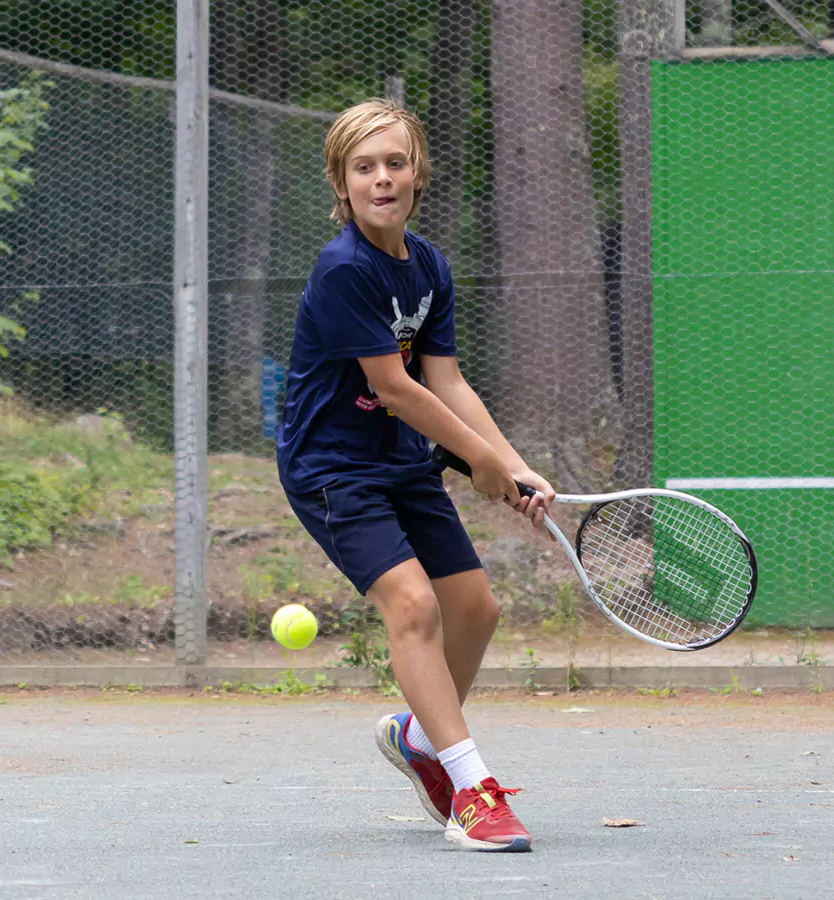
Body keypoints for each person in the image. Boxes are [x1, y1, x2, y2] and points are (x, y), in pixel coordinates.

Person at [276, 99, 555, 852]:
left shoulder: (428, 266)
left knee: (475, 610)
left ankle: (418, 739)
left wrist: (510, 462)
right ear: (341, 183)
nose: (381, 178)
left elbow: (447, 381)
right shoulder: (342, 270)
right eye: (363, 167)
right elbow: (396, 389)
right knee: (412, 606)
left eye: (394, 162)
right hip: (332, 468)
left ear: (417, 172)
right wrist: (482, 462)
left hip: (400, 462)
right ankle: (474, 791)